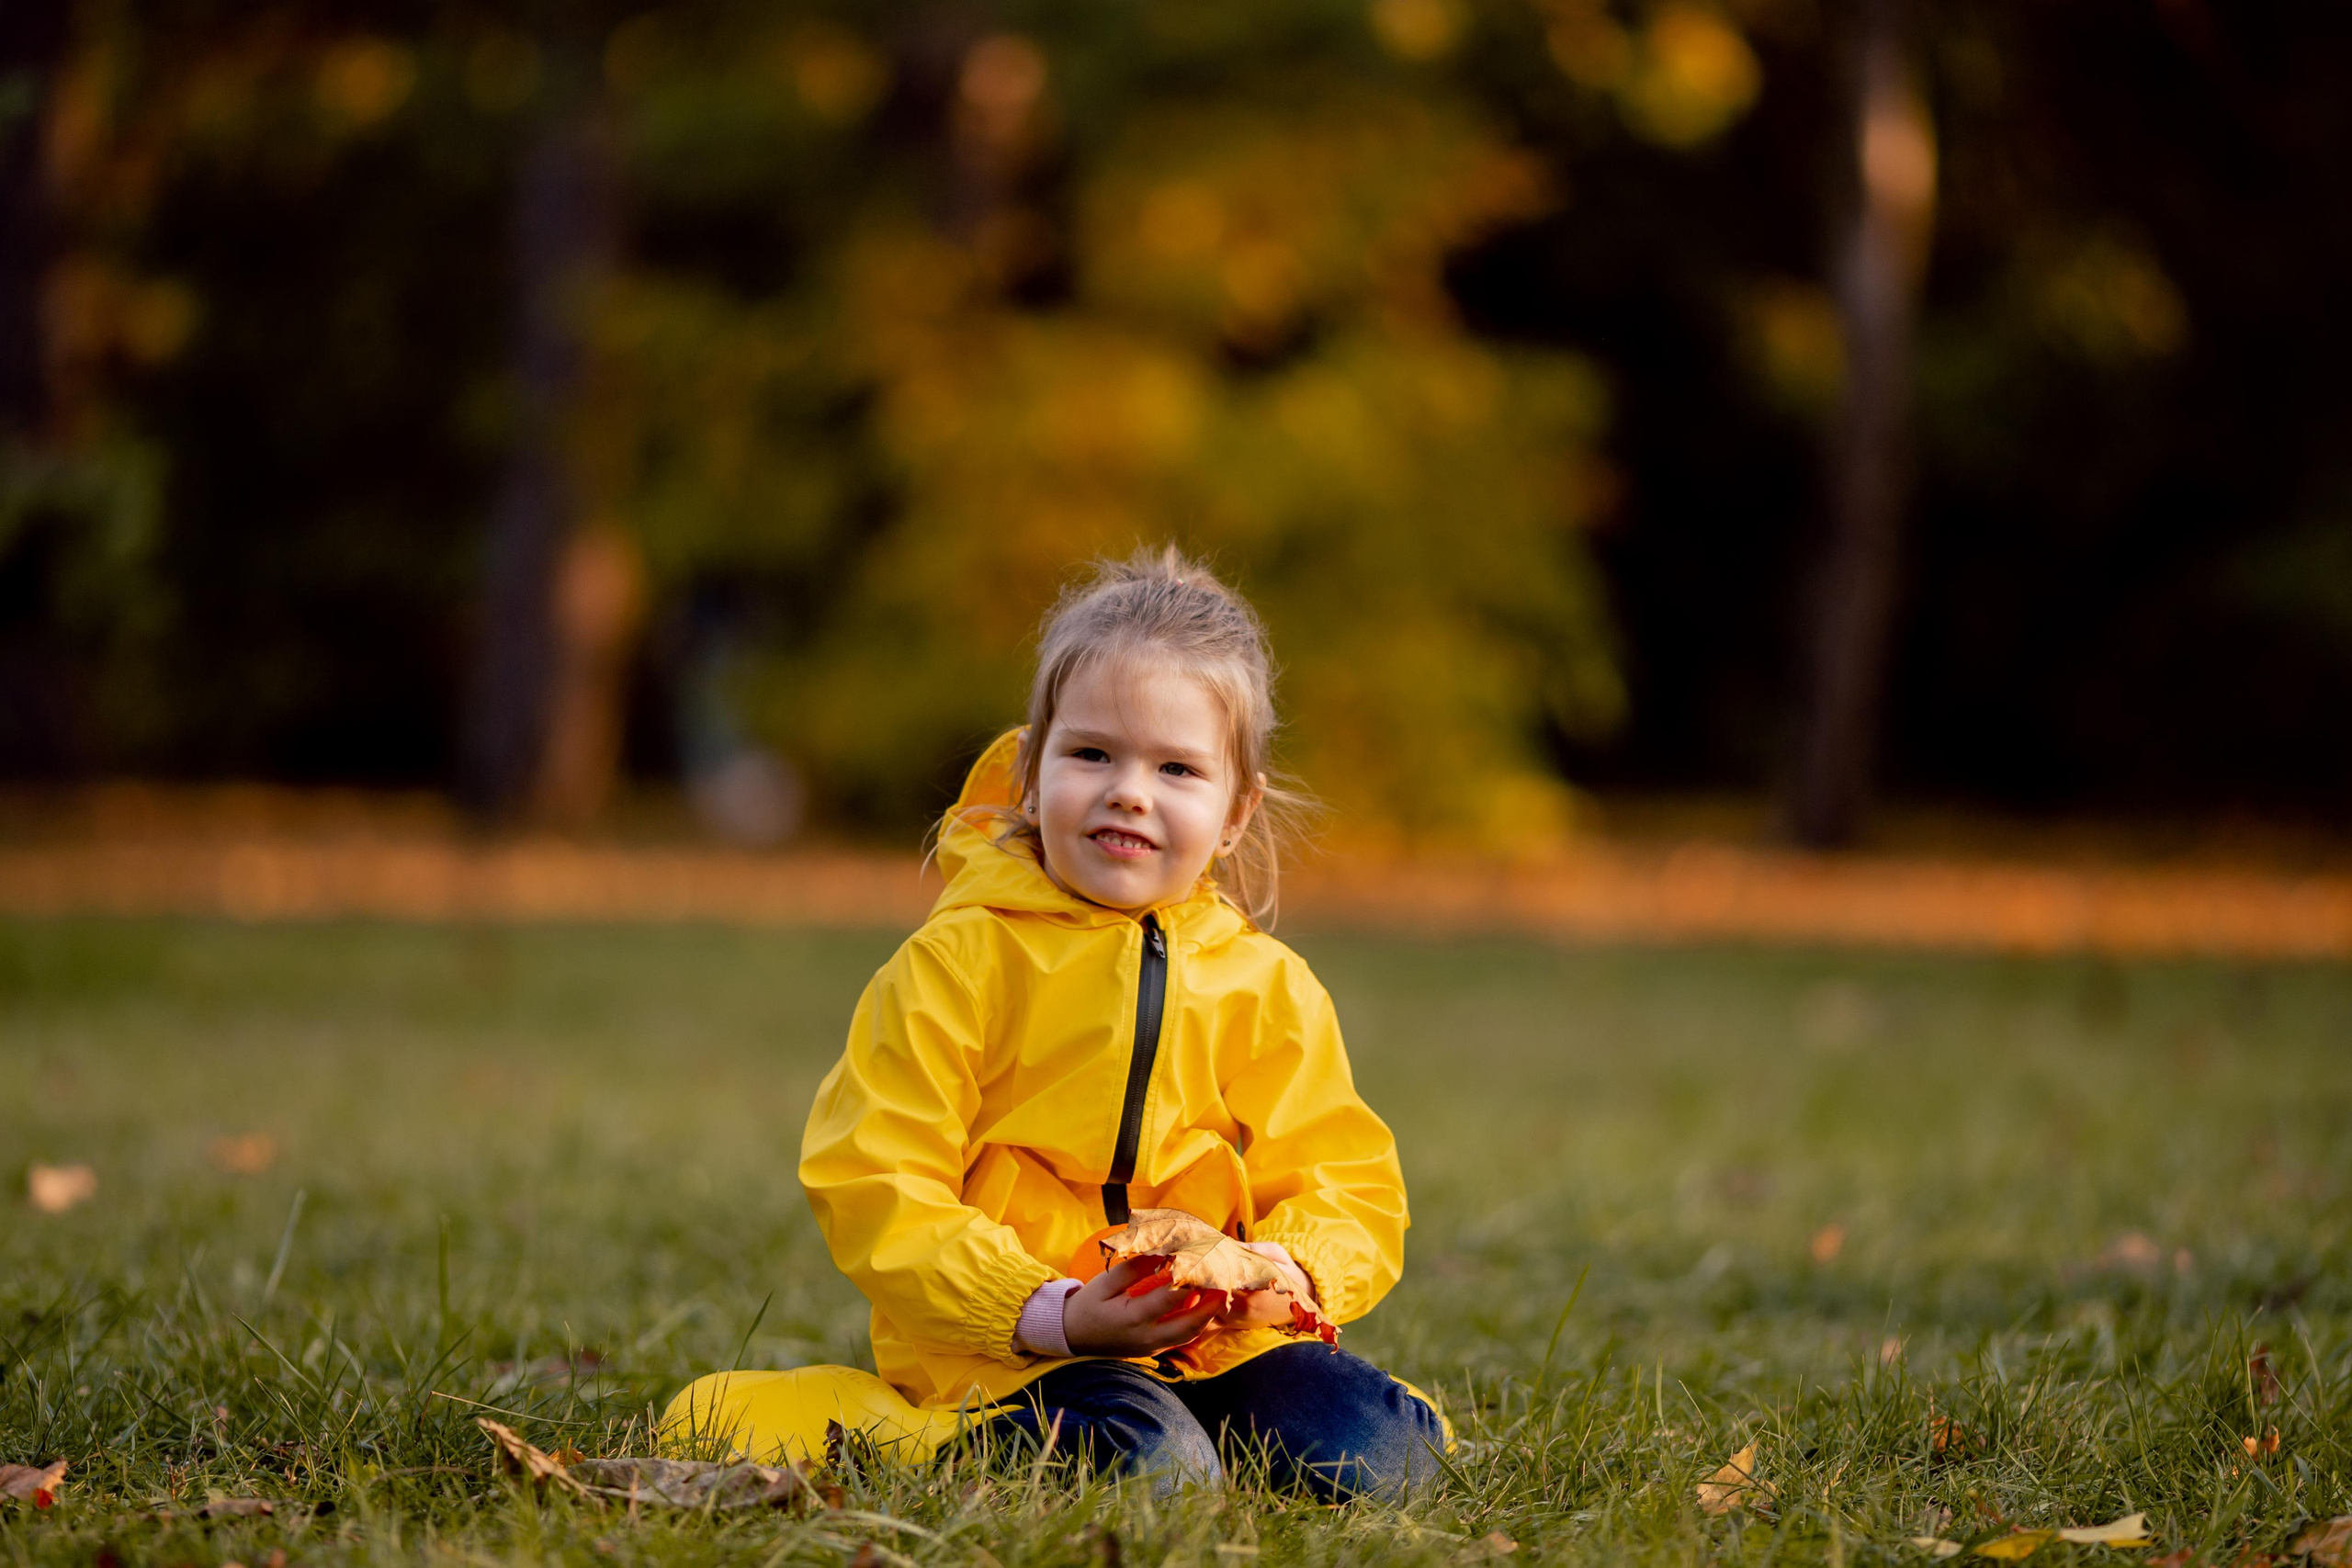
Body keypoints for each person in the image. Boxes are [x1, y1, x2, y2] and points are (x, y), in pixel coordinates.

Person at [797, 547, 1447, 1500]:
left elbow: (1345, 1177)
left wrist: (1285, 1268)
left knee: (1383, 1458)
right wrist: (1044, 1310)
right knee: (1153, 1475)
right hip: (1014, 1352)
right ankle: (896, 1434)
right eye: (1092, 753)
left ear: (1235, 812)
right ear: (1030, 772)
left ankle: (1200, 1435)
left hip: (1211, 1345)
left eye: (1177, 768)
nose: (1129, 791)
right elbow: (873, 1178)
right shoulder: (955, 963)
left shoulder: (1265, 986)